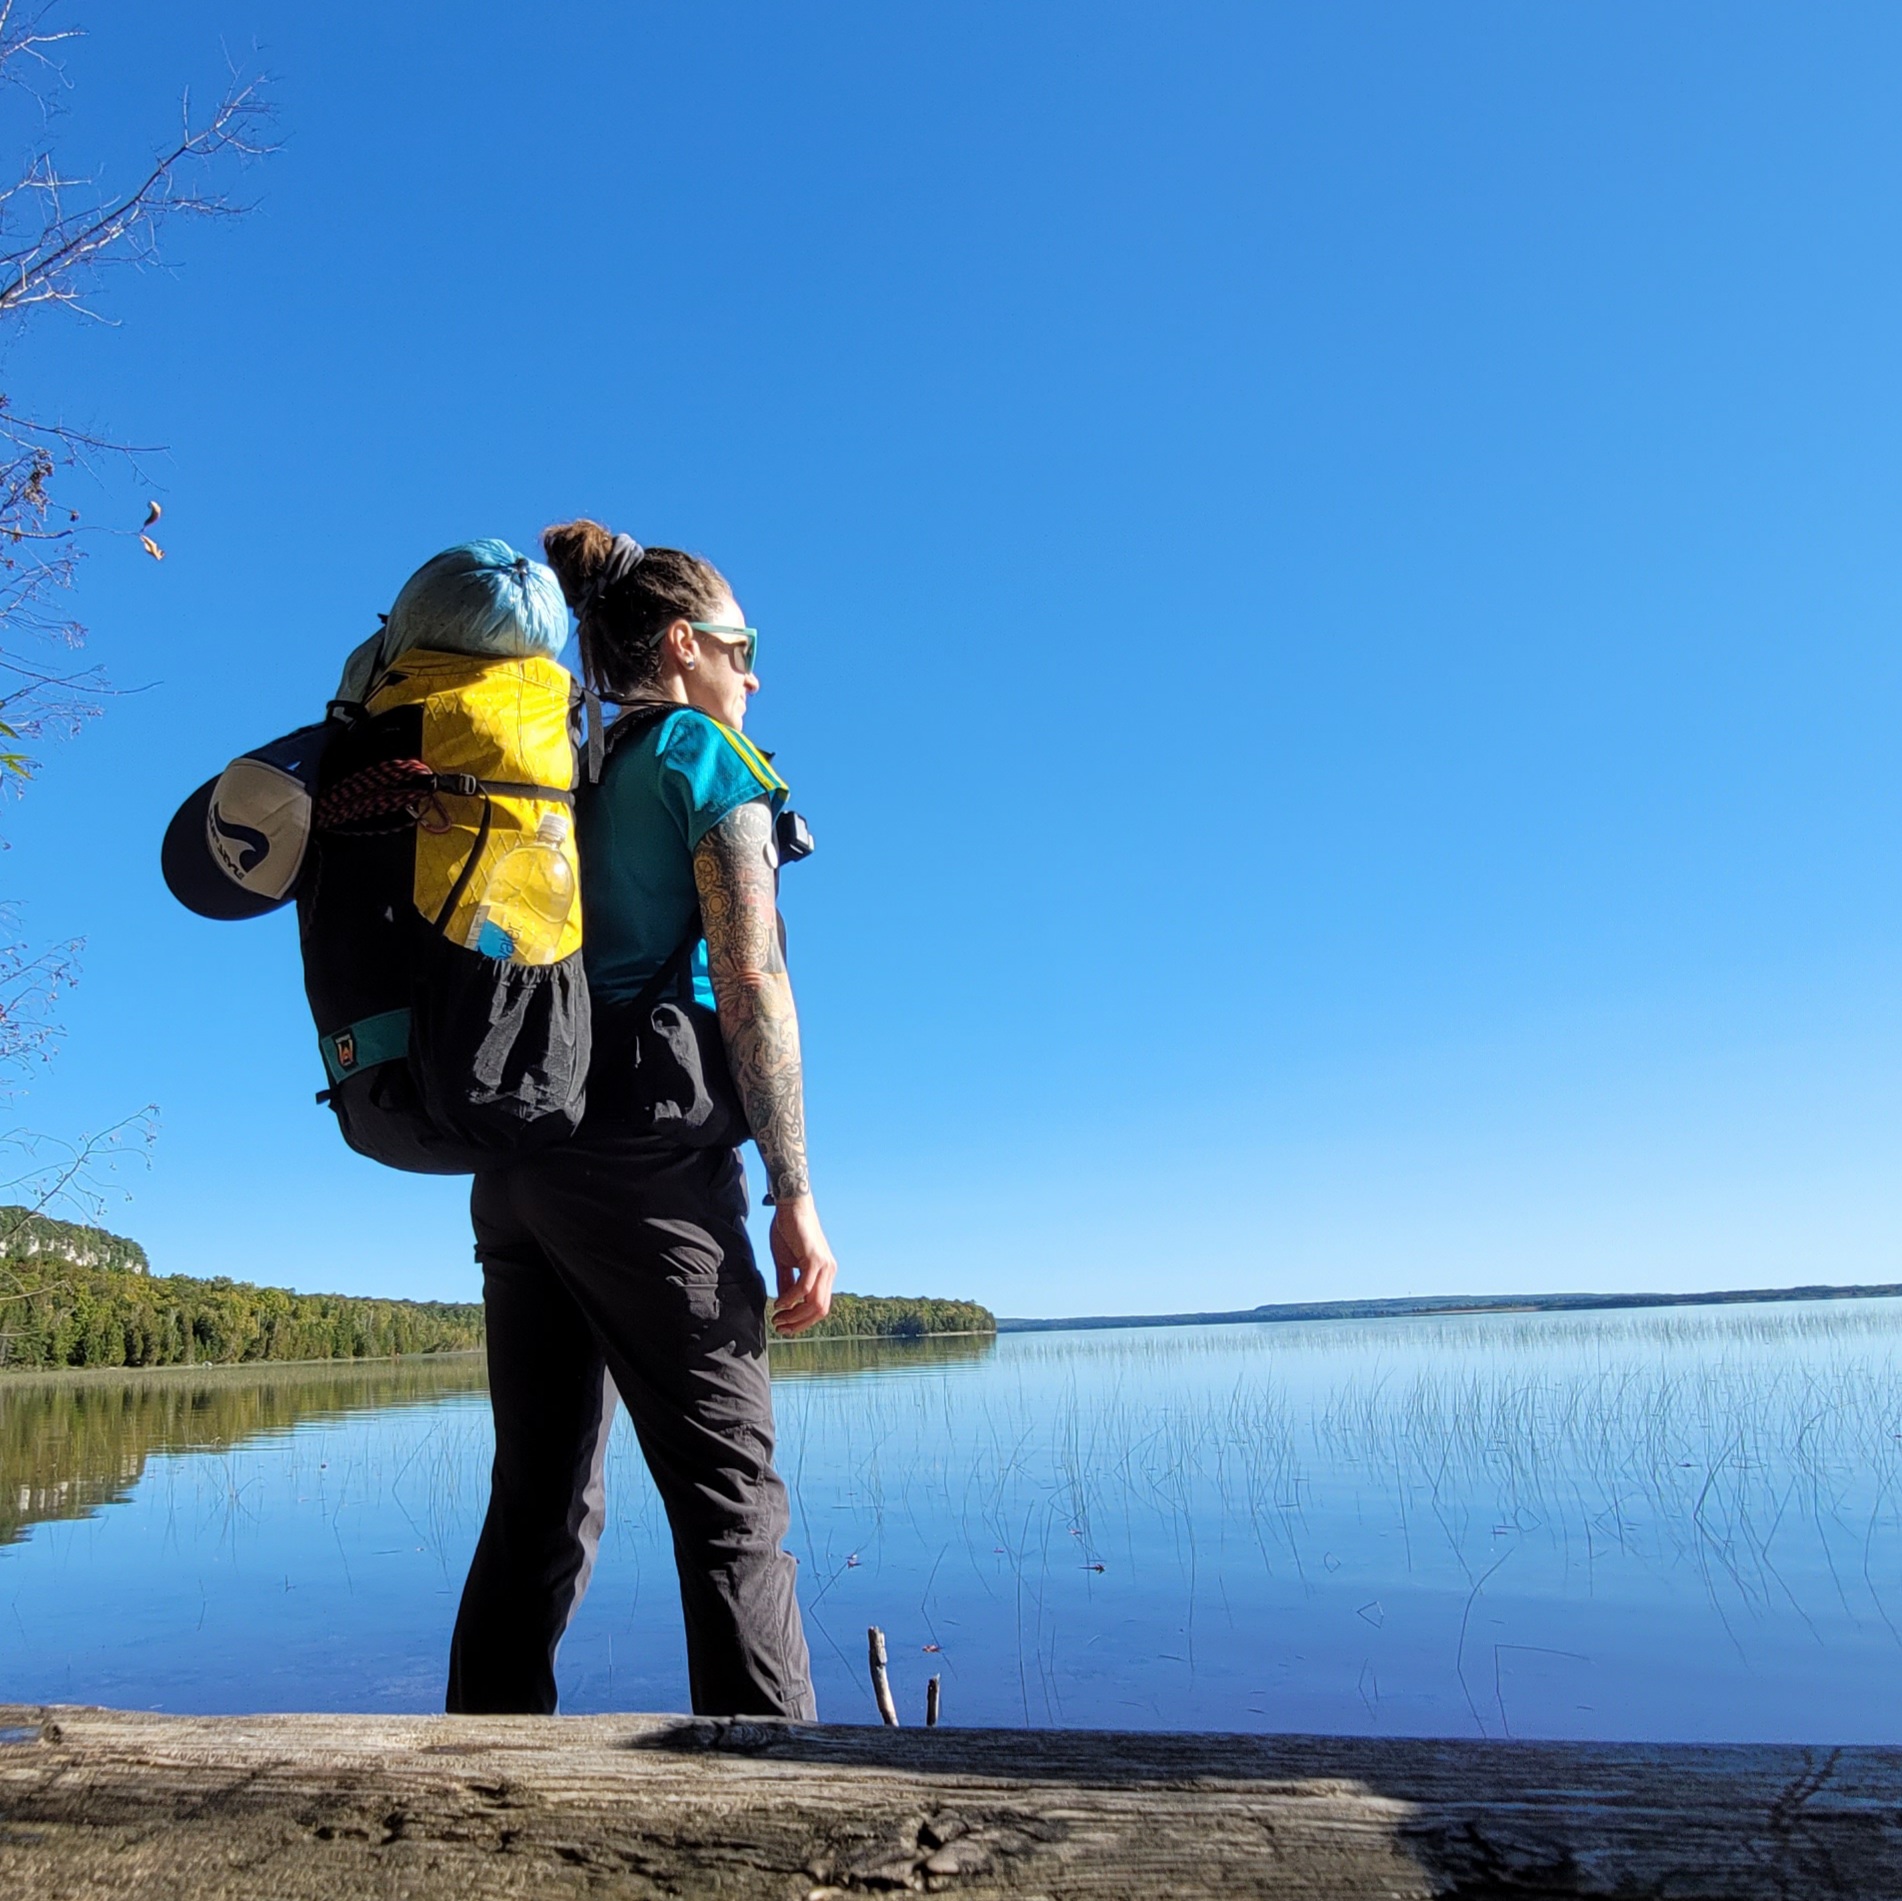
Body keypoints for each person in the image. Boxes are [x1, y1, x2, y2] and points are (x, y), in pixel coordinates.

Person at [445, 520, 837, 1720]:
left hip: (523, 1161)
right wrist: (795, 1191)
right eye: (741, 646)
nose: (753, 675)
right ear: (682, 644)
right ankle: (783, 1804)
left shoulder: (571, 766)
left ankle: (473, 1786)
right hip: (644, 1166)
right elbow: (753, 979)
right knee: (732, 1501)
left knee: (541, 1502)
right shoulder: (701, 757)